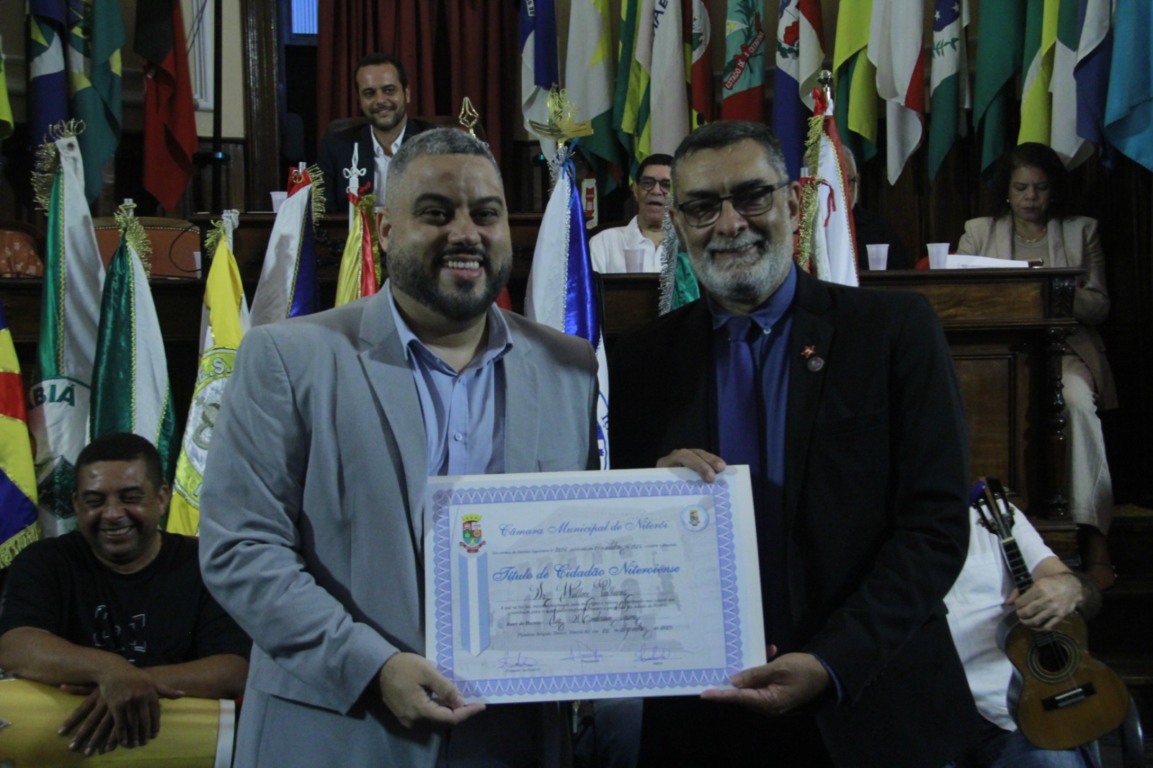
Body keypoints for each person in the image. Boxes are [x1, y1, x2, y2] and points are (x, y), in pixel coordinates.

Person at [198, 128, 599, 766]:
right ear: (384, 229)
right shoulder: (287, 358)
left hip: (511, 739)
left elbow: (578, 541)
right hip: (339, 730)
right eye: (436, 213)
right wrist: (373, 666)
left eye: (485, 214)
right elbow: (239, 549)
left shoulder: (569, 368)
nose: (465, 233)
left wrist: (675, 494)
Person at [608, 120, 978, 767]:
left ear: (793, 203)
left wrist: (834, 661)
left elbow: (935, 527)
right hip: (702, 719)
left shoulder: (892, 331)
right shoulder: (637, 361)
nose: (728, 224)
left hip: (870, 705)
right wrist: (645, 494)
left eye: (751, 196)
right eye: (700, 207)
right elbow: (614, 539)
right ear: (678, 224)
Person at [0, 432, 249, 757]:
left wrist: (134, 683)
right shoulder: (45, 561)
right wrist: (108, 670)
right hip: (66, 752)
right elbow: (16, 646)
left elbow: (234, 670)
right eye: (95, 501)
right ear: (76, 504)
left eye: (130, 497)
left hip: (180, 753)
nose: (113, 514)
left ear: (161, 498)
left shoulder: (205, 565)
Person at [957, 142, 1117, 590]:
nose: (1031, 198)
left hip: (1063, 350)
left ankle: (1094, 538)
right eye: (1021, 187)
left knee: (1078, 405)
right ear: (1006, 192)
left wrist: (1049, 287)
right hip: (996, 357)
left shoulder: (1081, 231)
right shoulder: (978, 232)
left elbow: (1099, 307)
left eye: (1041, 188)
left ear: (1054, 191)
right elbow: (962, 300)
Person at [947, 488, 1102, 768]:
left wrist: (1069, 587)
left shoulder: (991, 511)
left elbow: (1080, 590)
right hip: (918, 718)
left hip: (1014, 710)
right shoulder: (862, 528)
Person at [317, 52, 432, 213]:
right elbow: (324, 219)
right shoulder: (336, 148)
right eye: (369, 93)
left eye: (389, 90)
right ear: (360, 101)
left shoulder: (437, 144)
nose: (380, 100)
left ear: (406, 94)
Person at [589, 154, 672, 273]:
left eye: (666, 185)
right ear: (635, 191)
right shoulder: (603, 244)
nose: (656, 191)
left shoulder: (693, 248)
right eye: (647, 183)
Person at [839, 145, 914, 270]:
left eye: (848, 181)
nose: (842, 190)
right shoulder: (804, 231)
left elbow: (902, 279)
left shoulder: (878, 230)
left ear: (857, 180)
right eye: (834, 182)